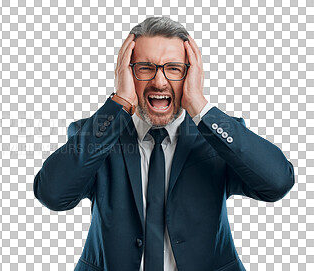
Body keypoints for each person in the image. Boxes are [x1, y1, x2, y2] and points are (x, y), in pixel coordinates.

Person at [33, 16, 295, 271]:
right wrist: (119, 104)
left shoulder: (217, 137)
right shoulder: (97, 133)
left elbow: (277, 183)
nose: (159, 82)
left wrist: (200, 108)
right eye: (145, 68)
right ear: (127, 73)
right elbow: (53, 195)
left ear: (191, 74)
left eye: (173, 69)